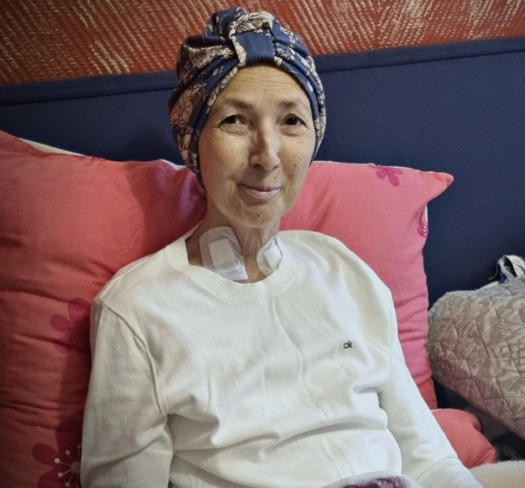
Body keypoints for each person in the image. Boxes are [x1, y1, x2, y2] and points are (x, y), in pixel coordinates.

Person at [80, 8, 482, 488]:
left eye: (291, 121)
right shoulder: (137, 310)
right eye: (235, 121)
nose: (267, 155)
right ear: (193, 141)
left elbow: (429, 458)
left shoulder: (343, 269)